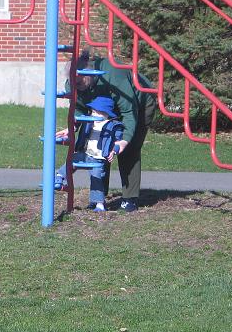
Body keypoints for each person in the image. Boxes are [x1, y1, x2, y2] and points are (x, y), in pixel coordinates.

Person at [56, 49, 157, 212]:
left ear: (89, 76)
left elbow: (128, 112)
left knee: (128, 149)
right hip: (106, 107)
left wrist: (124, 139)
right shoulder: (74, 82)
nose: (76, 87)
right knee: (98, 148)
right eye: (73, 83)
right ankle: (99, 198)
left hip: (139, 101)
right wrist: (72, 126)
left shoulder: (113, 75)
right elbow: (80, 107)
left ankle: (129, 198)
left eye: (79, 84)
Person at [54, 96, 125, 213]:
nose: (94, 115)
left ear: (106, 114)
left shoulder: (113, 126)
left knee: (96, 178)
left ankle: (99, 204)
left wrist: (114, 151)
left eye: (98, 113)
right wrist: (69, 133)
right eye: (93, 111)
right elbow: (77, 124)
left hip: (98, 158)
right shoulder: (89, 122)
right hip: (86, 154)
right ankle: (60, 176)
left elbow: (118, 141)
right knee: (72, 159)